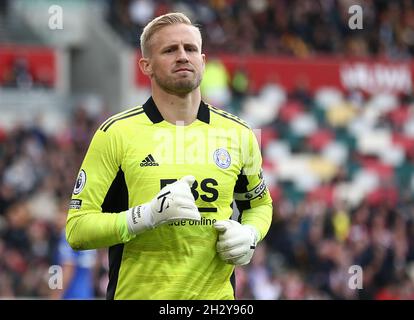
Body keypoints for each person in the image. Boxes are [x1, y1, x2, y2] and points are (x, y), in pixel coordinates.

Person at [66, 12, 273, 300]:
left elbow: (260, 204)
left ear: (202, 59)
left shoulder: (239, 133)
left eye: (190, 49)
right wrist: (145, 216)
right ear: (146, 65)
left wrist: (250, 235)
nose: (182, 56)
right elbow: (77, 229)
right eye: (169, 50)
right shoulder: (115, 134)